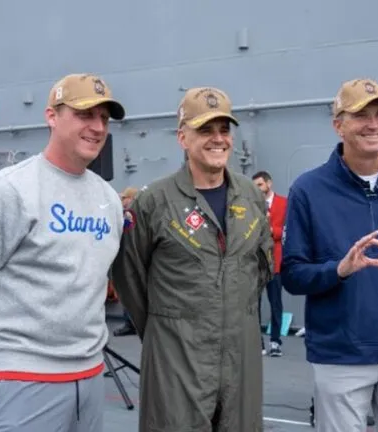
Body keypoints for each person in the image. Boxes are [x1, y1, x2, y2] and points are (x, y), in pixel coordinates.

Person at [0, 72, 126, 432]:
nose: (98, 126)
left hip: (88, 375)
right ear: (51, 116)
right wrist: (7, 338)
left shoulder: (108, 200)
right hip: (21, 378)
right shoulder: (6, 192)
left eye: (103, 117)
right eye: (85, 114)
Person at [112, 86, 274, 432]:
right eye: (205, 130)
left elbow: (260, 269)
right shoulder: (154, 201)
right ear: (182, 137)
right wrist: (168, 328)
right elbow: (129, 277)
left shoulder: (251, 197)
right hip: (177, 357)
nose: (218, 139)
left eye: (224, 129)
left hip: (240, 355)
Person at [281, 78, 378, 432]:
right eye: (360, 115)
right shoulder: (308, 190)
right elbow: (292, 274)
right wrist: (339, 270)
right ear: (339, 125)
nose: (373, 124)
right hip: (341, 355)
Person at [252, 170, 287, 357]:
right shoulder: (251, 205)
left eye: (259, 185)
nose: (257, 189)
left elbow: (288, 230)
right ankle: (258, 343)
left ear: (268, 183)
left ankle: (275, 341)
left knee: (276, 303)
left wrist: (270, 230)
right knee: (254, 305)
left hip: (276, 262)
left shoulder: (284, 203)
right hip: (256, 263)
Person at [112, 186, 139, 337]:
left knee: (128, 292)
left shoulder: (129, 215)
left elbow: (126, 230)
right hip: (130, 258)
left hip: (129, 260)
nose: (122, 201)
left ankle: (130, 323)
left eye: (124, 198)